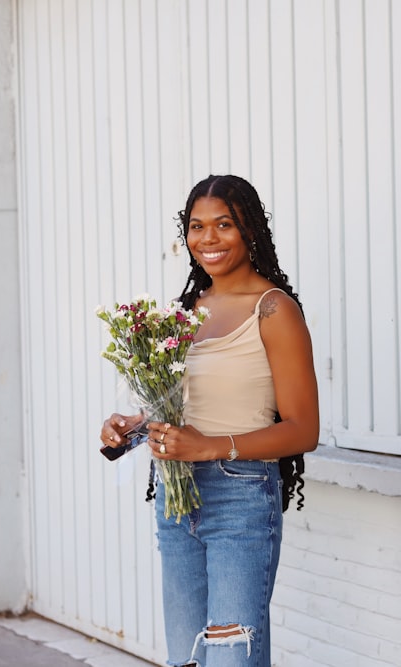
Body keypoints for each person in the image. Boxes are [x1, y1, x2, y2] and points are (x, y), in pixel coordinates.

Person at [100, 174, 319, 666]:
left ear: (250, 230)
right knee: (188, 659)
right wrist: (133, 428)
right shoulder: (188, 310)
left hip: (239, 500)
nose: (208, 239)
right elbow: (183, 411)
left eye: (224, 224)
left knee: (231, 660)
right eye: (197, 227)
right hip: (177, 503)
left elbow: (304, 430)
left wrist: (209, 447)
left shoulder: (274, 311)